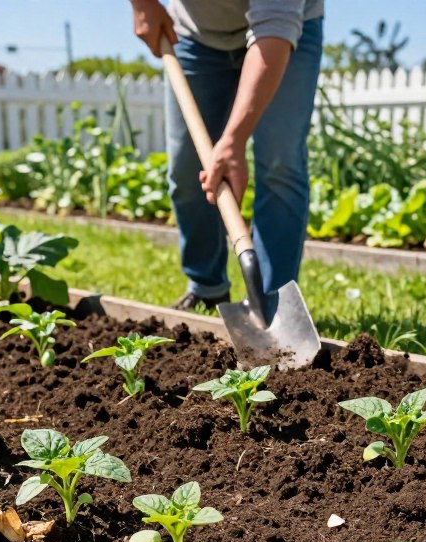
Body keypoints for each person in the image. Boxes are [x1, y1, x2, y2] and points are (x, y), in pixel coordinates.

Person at [128, 0, 324, 310]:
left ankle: (272, 303)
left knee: (279, 162)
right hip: (195, 34)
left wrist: (233, 140)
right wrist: (143, 5)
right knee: (187, 169)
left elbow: (274, 27)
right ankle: (207, 286)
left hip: (285, 28)